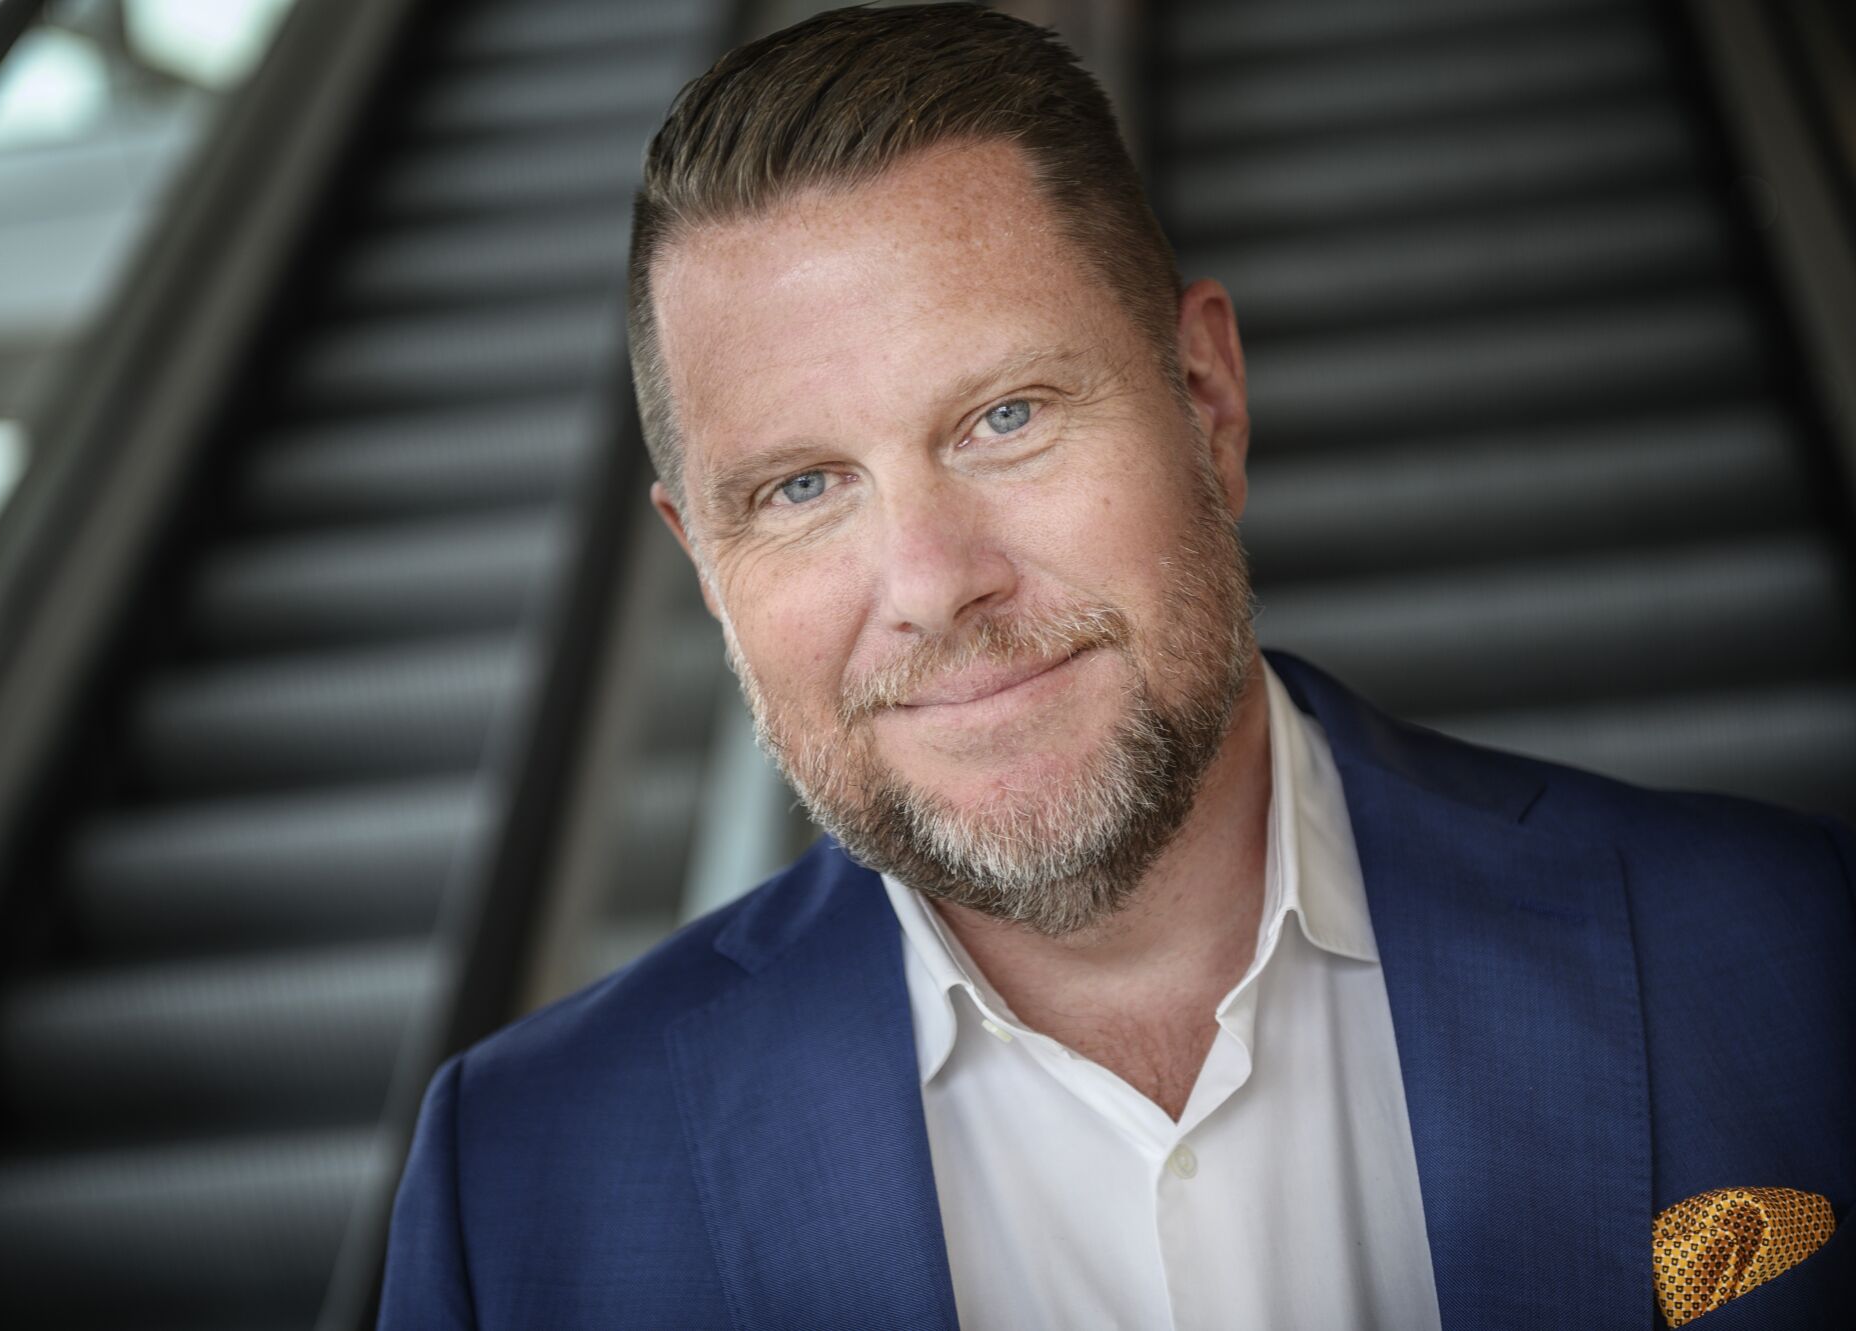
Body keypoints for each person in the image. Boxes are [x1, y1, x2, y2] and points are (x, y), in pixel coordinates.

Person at [378, 7, 1855, 1328]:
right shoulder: (522, 1191)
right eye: (801, 489)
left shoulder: (1789, 955)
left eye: (1006, 417)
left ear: (1208, 401)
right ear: (703, 562)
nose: (934, 587)